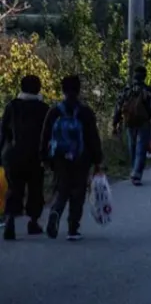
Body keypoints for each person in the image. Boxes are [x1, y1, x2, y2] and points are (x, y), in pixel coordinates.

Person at [41, 75, 103, 241]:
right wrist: (98, 160)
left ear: (62, 89)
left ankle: (55, 211)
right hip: (81, 157)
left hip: (59, 157)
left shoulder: (54, 111)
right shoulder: (85, 112)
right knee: (78, 192)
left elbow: (45, 135)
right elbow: (92, 137)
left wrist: (45, 157)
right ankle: (72, 229)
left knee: (62, 189)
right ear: (78, 89)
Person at [1, 75, 49, 241]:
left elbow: (3, 132)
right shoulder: (44, 108)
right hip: (36, 156)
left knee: (14, 188)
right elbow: (48, 135)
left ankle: (10, 220)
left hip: (13, 155)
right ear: (38, 88)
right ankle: (33, 222)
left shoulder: (12, 106)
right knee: (35, 189)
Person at [113, 66, 151, 187]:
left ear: (134, 76)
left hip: (129, 122)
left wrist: (115, 122)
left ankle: (133, 169)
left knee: (132, 146)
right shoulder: (149, 91)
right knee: (141, 148)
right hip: (143, 122)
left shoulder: (126, 90)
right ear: (145, 76)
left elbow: (118, 106)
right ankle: (136, 173)